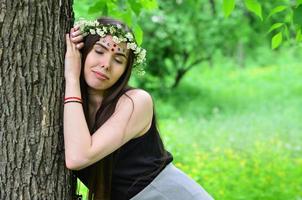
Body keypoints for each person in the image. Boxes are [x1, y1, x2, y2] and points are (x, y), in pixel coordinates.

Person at [64, 17, 214, 200]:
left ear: (125, 70)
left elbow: (77, 158)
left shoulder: (136, 102)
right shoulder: (72, 108)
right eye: (99, 51)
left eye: (118, 60)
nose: (106, 64)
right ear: (83, 50)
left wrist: (71, 76)